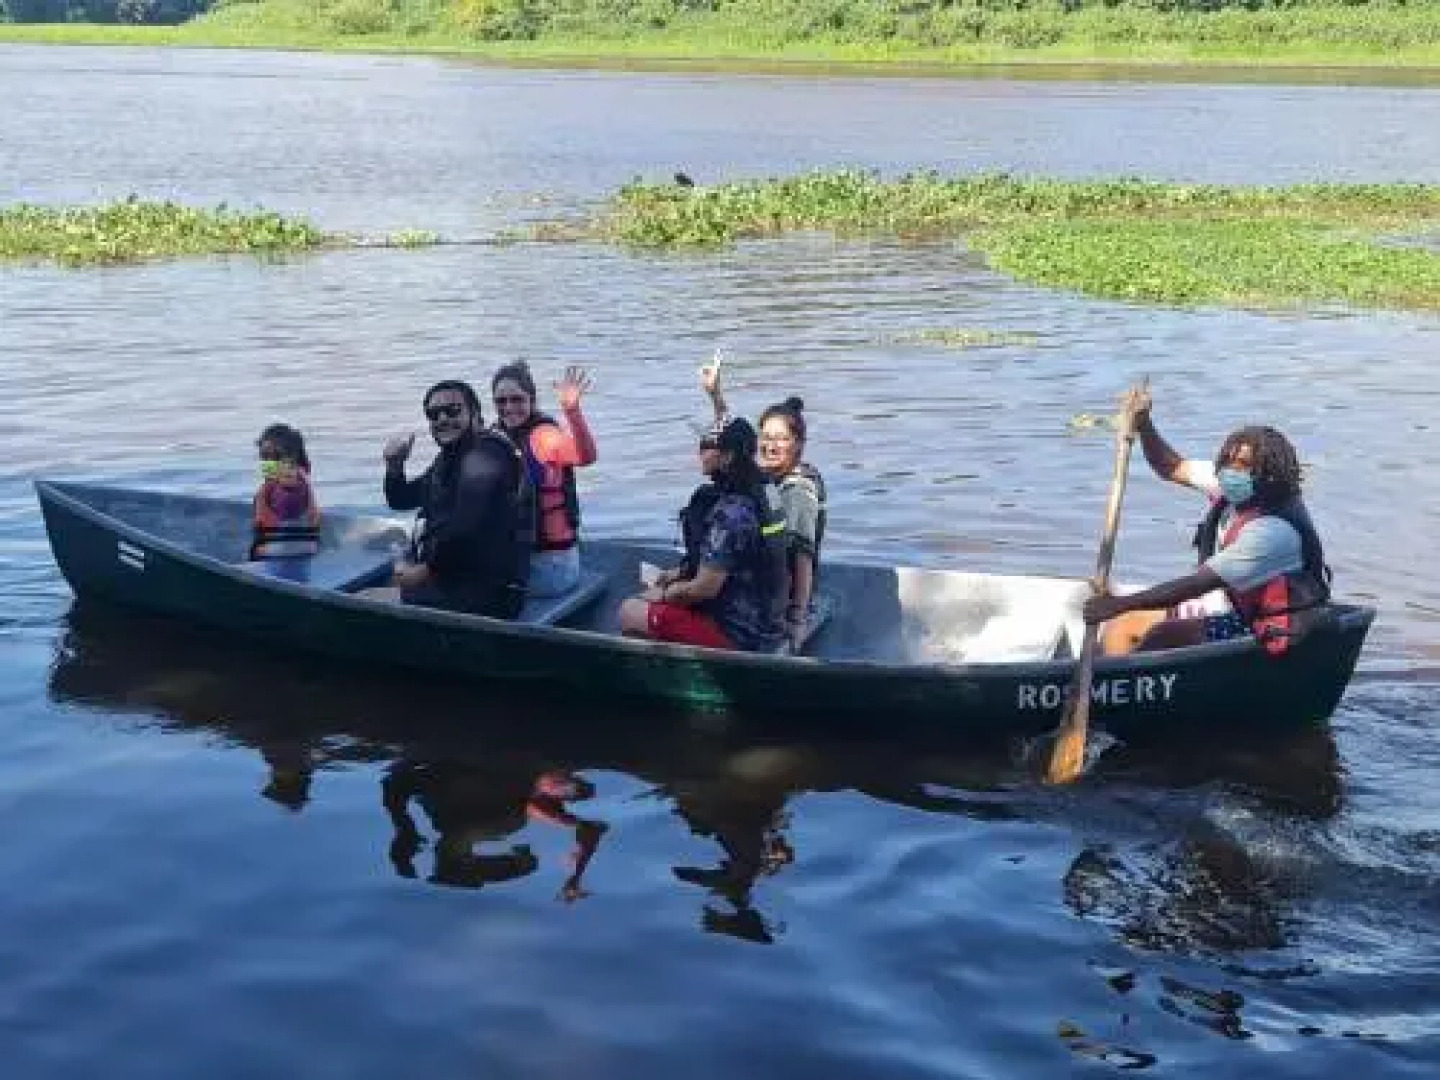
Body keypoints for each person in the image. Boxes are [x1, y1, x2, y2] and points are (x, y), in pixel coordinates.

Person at [1083, 388, 1331, 655]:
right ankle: (1101, 680)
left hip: (1270, 626)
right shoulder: (1234, 487)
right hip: (1238, 604)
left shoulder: (1272, 532)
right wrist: (1144, 425)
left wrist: (1119, 603)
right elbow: (1171, 466)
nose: (1231, 471)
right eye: (1227, 461)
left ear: (1267, 475)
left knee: (1161, 634)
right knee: (1124, 625)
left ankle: (1122, 682)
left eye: (1243, 465)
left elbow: (1198, 585)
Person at [618, 417, 790, 652]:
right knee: (659, 590)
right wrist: (676, 574)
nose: (700, 453)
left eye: (707, 447)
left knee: (630, 610)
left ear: (728, 456)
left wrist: (667, 594)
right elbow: (739, 560)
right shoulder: (766, 490)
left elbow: (704, 589)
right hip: (768, 619)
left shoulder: (731, 513)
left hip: (738, 635)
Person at [702, 360, 827, 652]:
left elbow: (801, 556)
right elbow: (734, 445)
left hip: (780, 595)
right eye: (766, 437)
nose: (771, 446)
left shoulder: (797, 490)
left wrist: (797, 617)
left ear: (798, 443)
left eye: (782, 439)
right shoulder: (770, 475)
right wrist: (716, 397)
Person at [379, 379, 528, 619]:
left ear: (475, 414)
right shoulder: (449, 459)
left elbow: (465, 525)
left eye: (453, 410)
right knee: (389, 586)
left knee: (367, 598)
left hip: (490, 593)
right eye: (434, 414)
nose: (442, 419)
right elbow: (402, 499)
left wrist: (424, 571)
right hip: (454, 579)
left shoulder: (489, 454)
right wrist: (395, 467)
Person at [490, 361, 598, 598]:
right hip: (521, 558)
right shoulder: (496, 437)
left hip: (551, 568)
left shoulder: (544, 437)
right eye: (501, 401)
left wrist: (572, 410)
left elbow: (586, 456)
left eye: (517, 399)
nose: (509, 407)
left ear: (532, 399)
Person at [249, 423, 320, 560]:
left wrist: (288, 490)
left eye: (270, 457)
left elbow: (288, 504)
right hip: (307, 551)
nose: (264, 463)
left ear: (290, 459)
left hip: (275, 555)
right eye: (263, 456)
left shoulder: (288, 485)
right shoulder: (299, 478)